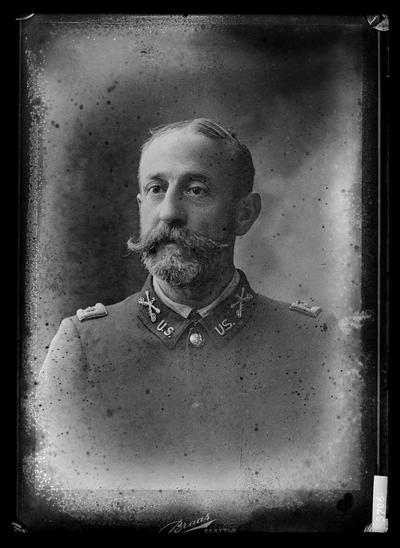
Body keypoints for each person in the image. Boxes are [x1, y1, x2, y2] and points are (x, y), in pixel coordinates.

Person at [35, 118, 355, 493]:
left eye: (196, 190)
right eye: (156, 189)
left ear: (245, 214)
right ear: (141, 204)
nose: (169, 212)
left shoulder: (315, 344)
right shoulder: (82, 348)